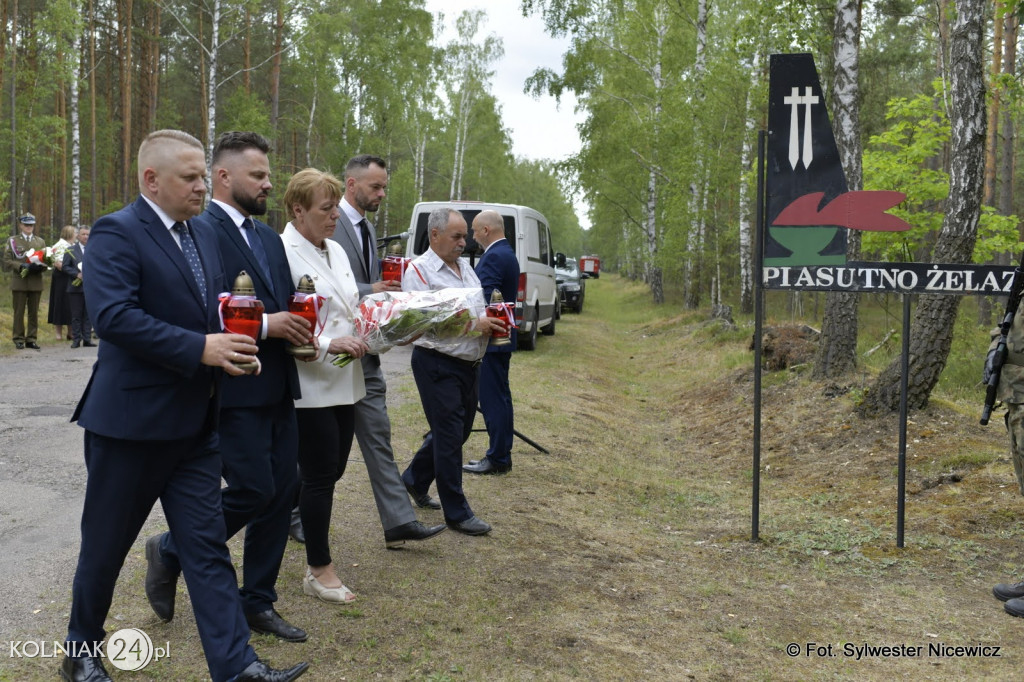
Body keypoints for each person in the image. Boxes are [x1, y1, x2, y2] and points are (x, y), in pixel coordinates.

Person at [60, 129, 307, 682]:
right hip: (131, 426)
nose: (201, 187)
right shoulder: (116, 232)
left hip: (196, 426)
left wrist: (236, 352)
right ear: (152, 180)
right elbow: (114, 318)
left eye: (203, 176)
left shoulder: (199, 236)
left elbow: (215, 309)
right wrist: (202, 349)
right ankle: (80, 653)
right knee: (105, 547)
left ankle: (237, 666)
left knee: (206, 552)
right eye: (190, 178)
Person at [144, 131, 312, 644]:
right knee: (252, 490)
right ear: (224, 176)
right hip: (231, 386)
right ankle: (171, 549)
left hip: (278, 381)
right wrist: (266, 326)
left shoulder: (267, 238)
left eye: (267, 175)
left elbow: (284, 300)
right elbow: (203, 310)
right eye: (258, 176)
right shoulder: (201, 230)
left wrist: (307, 324)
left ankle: (258, 600)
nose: (268, 184)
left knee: (282, 494)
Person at [330, 153, 447, 547]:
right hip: (333, 355)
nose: (381, 194)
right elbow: (320, 283)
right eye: (375, 186)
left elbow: (373, 290)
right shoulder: (331, 222)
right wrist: (372, 290)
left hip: (368, 353)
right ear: (351, 184)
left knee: (379, 435)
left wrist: (401, 317)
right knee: (325, 451)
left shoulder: (365, 229)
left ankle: (398, 520)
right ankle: (296, 514)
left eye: (384, 187)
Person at [280, 168, 369, 604]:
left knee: (330, 470)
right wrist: (330, 342)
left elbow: (349, 306)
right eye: (326, 207)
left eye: (336, 206)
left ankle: (276, 517)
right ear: (298, 210)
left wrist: (375, 328)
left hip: (346, 378)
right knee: (319, 477)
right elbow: (288, 319)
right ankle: (319, 569)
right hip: (310, 378)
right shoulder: (282, 251)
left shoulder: (335, 249)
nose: (335, 215)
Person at [400, 208, 507, 536]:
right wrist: (475, 324)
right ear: (435, 235)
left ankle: (415, 478)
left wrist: (493, 319)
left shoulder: (466, 269)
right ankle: (457, 512)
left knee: (457, 432)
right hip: (436, 363)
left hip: (468, 364)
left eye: (465, 236)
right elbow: (421, 317)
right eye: (457, 236)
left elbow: (474, 308)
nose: (465, 242)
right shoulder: (419, 270)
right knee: (448, 437)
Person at [464, 209, 519, 476]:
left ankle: (498, 457)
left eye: (474, 230)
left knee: (492, 399)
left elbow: (486, 297)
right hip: (502, 337)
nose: (472, 237)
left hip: (494, 337)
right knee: (500, 397)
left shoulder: (495, 255)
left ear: (486, 230)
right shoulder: (505, 252)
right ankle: (499, 454)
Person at [3, 212, 46, 349]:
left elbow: (45, 260)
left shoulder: (40, 241)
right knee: (19, 311)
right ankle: (18, 338)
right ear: (21, 225)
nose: (29, 227)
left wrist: (40, 267)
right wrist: (21, 265)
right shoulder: (13, 241)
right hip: (19, 281)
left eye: (31, 225)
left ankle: (31, 339)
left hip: (35, 281)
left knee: (33, 312)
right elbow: (7, 260)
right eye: (26, 224)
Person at [62, 225, 95, 348]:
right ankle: (76, 339)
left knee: (88, 314)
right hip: (75, 288)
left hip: (90, 287)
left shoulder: (94, 249)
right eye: (83, 234)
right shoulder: (70, 250)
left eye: (87, 234)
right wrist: (77, 274)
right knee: (76, 314)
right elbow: (65, 266)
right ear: (78, 236)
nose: (85, 236)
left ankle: (87, 339)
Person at [49, 224, 76, 340]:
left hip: (71, 277)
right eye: (75, 233)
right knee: (59, 303)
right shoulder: (60, 245)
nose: (76, 235)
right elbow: (58, 263)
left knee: (71, 304)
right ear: (69, 234)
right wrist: (73, 270)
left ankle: (71, 332)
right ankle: (58, 334)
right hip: (61, 278)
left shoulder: (73, 245)